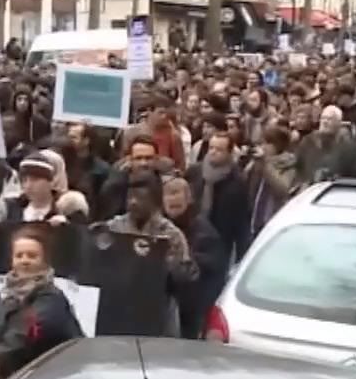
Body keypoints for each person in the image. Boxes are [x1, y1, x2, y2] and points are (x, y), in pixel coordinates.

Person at [0, 226, 81, 379]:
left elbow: (27, 332)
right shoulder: (6, 294)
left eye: (32, 255)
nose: (24, 260)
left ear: (45, 261)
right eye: (19, 255)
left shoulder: (51, 298)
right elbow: (3, 330)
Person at [106, 170, 198, 335]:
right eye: (130, 197)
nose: (133, 202)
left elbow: (184, 279)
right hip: (121, 309)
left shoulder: (171, 235)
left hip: (159, 311)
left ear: (155, 201)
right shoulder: (114, 228)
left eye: (140, 198)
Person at [163, 176, 229, 339]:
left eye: (177, 193)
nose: (173, 198)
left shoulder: (204, 232)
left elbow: (210, 270)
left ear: (189, 199)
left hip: (192, 313)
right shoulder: (160, 226)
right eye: (169, 194)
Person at [187, 129, 252, 260]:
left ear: (229, 153)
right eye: (211, 147)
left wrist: (241, 256)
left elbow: (241, 223)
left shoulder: (237, 181)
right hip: (192, 237)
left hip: (221, 242)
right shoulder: (195, 172)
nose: (213, 152)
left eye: (219, 149)